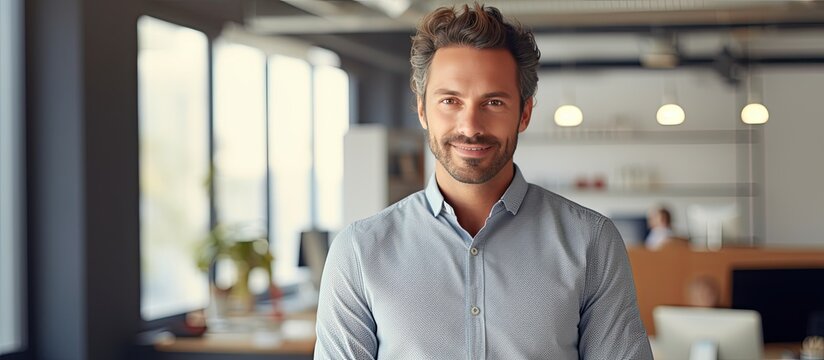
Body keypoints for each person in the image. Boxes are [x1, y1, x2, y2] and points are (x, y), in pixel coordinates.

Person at [314, 4, 652, 359]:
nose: (471, 126)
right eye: (450, 101)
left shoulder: (592, 243)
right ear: (422, 110)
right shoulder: (358, 252)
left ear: (524, 113)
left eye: (492, 102)